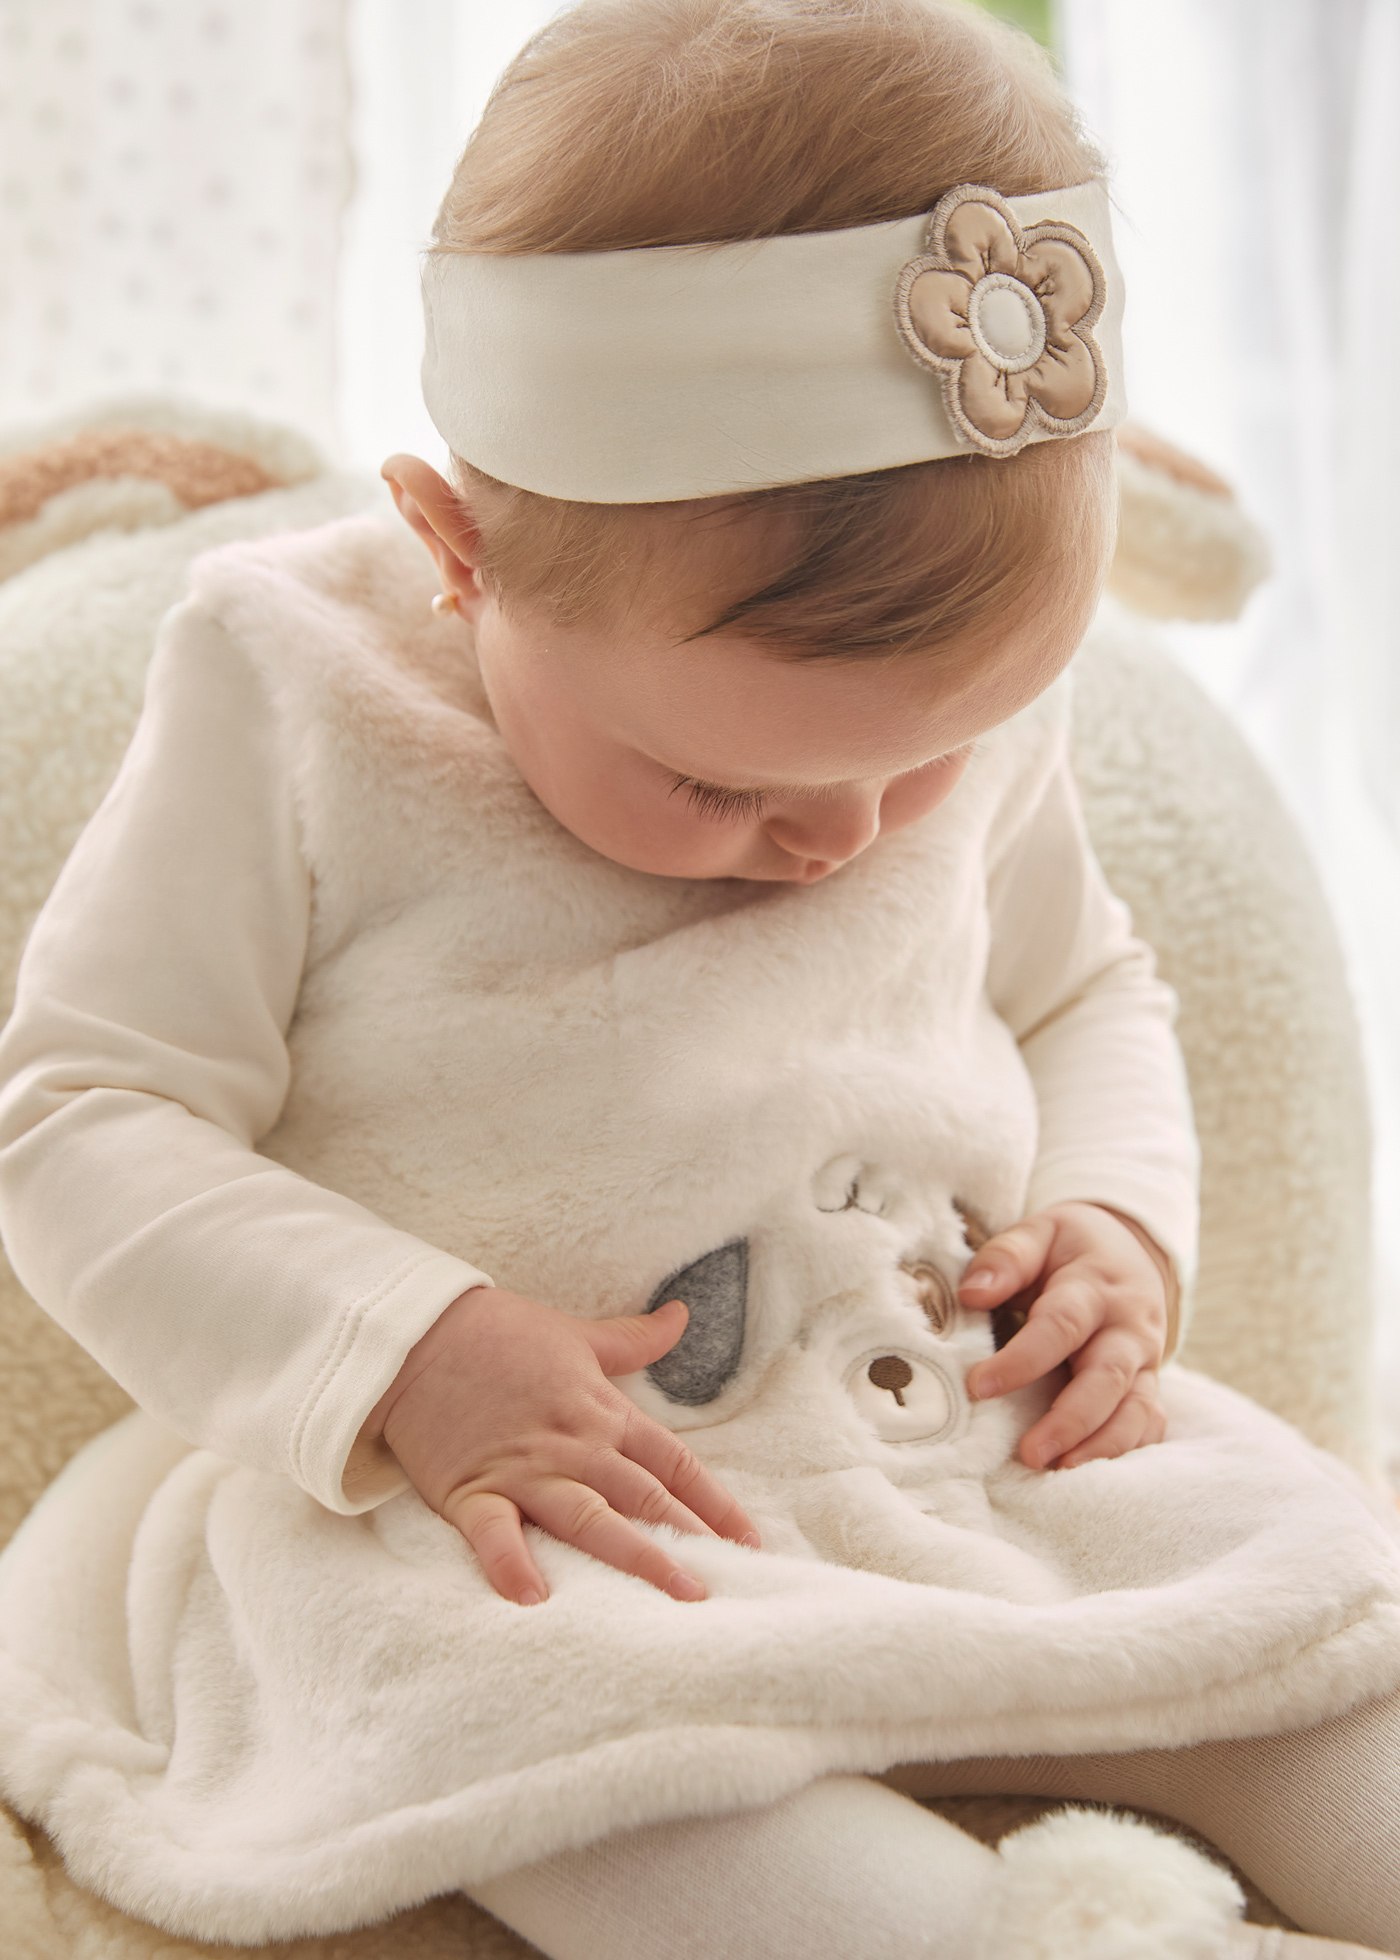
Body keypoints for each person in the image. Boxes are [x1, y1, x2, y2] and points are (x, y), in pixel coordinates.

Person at [1, 2, 1399, 1957]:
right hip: (529, 1483)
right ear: (457, 551)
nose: (848, 837)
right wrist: (404, 1348)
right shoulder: (289, 691)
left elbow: (1084, 986)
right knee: (574, 1773)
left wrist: (1112, 1230)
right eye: (726, 779)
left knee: (1322, 1636)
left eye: (921, 762)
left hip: (946, 1415)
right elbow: (83, 1112)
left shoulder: (961, 705)